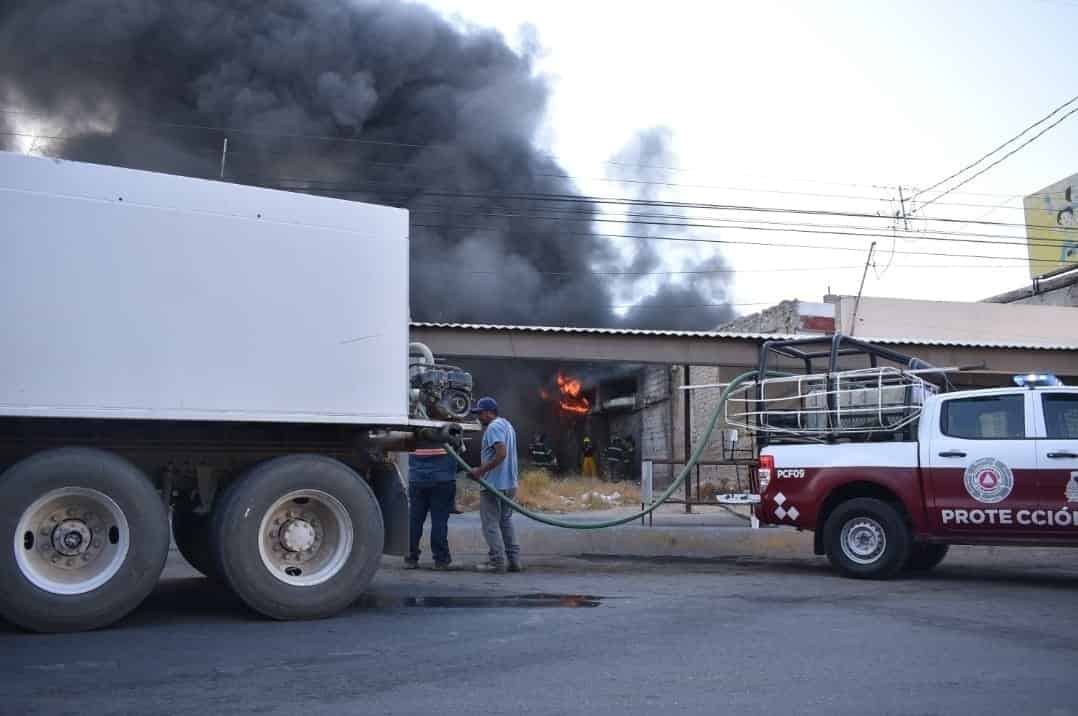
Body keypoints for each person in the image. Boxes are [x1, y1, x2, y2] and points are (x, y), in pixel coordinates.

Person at [469, 396, 521, 573]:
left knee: (490, 524)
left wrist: (480, 471)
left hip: (494, 485)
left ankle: (497, 562)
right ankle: (514, 561)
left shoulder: (494, 427)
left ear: (490, 413)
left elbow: (501, 453)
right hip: (510, 484)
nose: (479, 417)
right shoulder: (507, 425)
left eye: (481, 413)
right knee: (505, 522)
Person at [404, 439, 457, 570]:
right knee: (439, 520)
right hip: (442, 480)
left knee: (415, 520)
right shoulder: (448, 429)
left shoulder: (415, 429)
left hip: (417, 480)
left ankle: (411, 558)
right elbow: (458, 452)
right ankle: (441, 559)